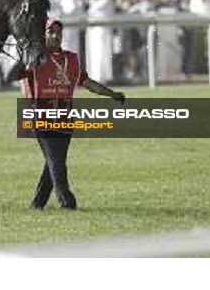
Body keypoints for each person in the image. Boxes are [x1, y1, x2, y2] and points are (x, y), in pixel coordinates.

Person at [9, 19, 125, 210]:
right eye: (50, 32)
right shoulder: (35, 58)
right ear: (43, 35)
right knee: (56, 161)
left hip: (65, 116)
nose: (56, 36)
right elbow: (12, 77)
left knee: (54, 162)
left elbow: (87, 82)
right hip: (41, 115)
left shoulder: (71, 59)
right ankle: (67, 201)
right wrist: (27, 54)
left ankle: (37, 204)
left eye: (58, 32)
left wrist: (112, 94)